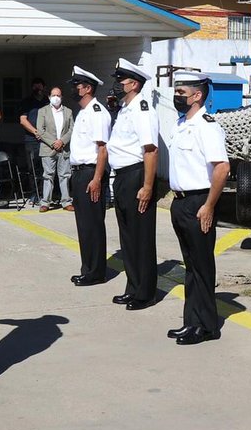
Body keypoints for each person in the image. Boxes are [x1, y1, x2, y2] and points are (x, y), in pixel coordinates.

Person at [166, 73, 230, 345]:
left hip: (198, 201)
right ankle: (191, 321)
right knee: (190, 265)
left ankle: (206, 326)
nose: (177, 96)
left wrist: (208, 206)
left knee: (202, 266)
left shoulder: (207, 126)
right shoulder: (181, 124)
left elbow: (222, 168)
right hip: (180, 201)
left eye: (182, 91)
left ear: (197, 95)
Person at [108, 58, 160, 311]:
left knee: (141, 237)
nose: (117, 84)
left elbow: (150, 150)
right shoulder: (124, 109)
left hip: (137, 175)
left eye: (121, 80)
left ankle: (145, 292)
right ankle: (133, 286)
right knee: (128, 237)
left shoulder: (142, 108)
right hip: (122, 177)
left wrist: (148, 186)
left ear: (134, 83)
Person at [67, 66, 112, 286]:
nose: (74, 90)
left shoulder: (97, 112)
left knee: (93, 224)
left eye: (77, 86)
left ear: (87, 88)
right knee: (84, 225)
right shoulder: (83, 112)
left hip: (90, 173)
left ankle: (96, 272)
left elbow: (102, 149)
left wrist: (96, 178)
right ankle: (88, 268)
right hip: (79, 173)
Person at [35, 86, 74, 211]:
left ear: (61, 97)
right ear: (49, 97)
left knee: (65, 175)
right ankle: (45, 202)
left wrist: (62, 141)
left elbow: (72, 129)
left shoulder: (68, 111)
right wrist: (53, 143)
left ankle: (66, 201)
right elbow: (41, 130)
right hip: (48, 148)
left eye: (58, 95)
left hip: (64, 148)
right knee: (48, 176)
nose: (56, 98)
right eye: (53, 95)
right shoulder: (43, 111)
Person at [18, 78, 49, 203]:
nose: (38, 90)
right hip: (31, 140)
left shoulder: (48, 101)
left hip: (47, 140)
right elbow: (23, 120)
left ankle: (45, 193)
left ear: (44, 87)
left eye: (40, 87)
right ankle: (34, 193)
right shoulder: (27, 102)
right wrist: (36, 132)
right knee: (32, 168)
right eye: (35, 87)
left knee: (46, 168)